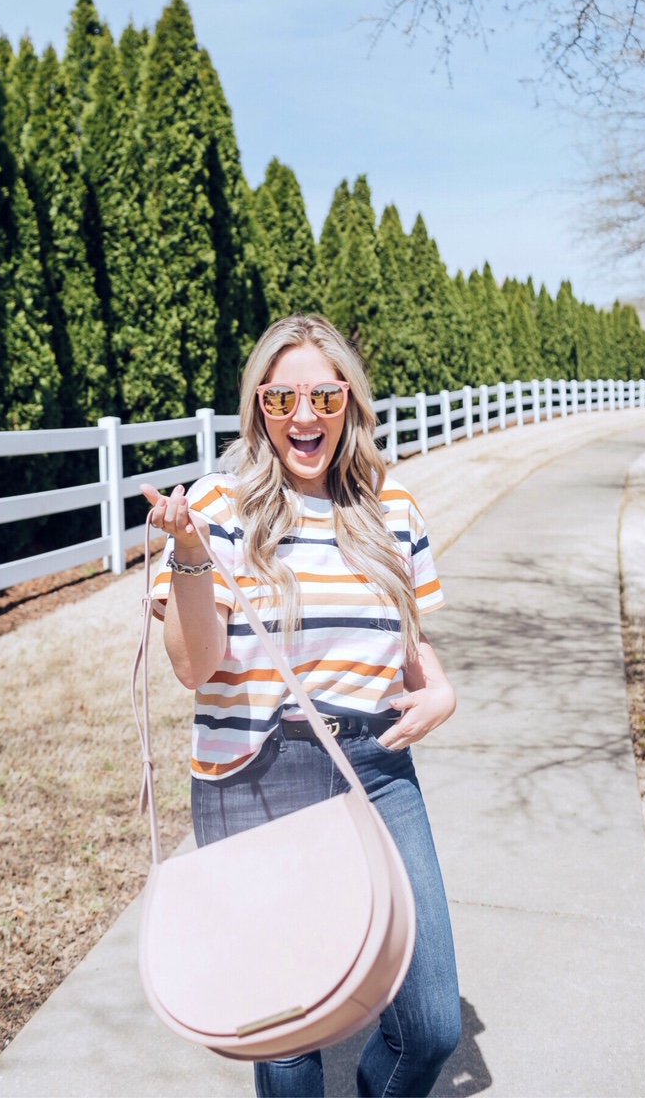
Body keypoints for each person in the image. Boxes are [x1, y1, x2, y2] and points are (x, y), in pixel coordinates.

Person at [140, 313, 461, 1098]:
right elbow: (195, 666)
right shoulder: (217, 505)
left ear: (349, 398)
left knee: (430, 1027)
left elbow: (406, 638)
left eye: (322, 394)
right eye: (282, 400)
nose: (305, 417)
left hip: (379, 765)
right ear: (258, 410)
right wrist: (187, 555)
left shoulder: (394, 508)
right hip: (256, 769)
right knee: (286, 1039)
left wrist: (442, 689)